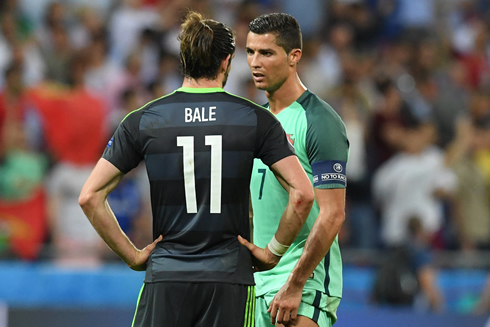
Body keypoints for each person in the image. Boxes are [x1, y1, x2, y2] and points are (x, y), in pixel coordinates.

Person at [79, 11, 315, 327]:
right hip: (229, 278)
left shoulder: (145, 119)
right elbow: (302, 194)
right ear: (227, 61)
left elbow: (89, 196)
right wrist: (273, 252)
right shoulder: (254, 119)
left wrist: (133, 255)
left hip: (166, 275)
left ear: (184, 59)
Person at [240, 13, 349, 327]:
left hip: (304, 283)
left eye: (266, 53)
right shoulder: (254, 122)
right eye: (250, 52)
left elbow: (333, 214)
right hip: (257, 285)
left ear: (294, 57)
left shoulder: (319, 121)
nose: (255, 62)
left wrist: (296, 282)